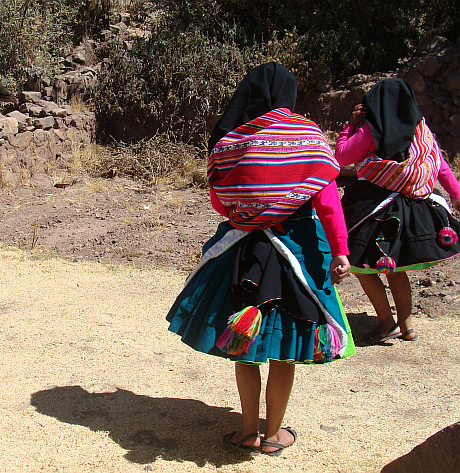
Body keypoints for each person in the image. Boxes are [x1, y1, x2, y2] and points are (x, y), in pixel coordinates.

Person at [166, 63, 355, 456]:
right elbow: (328, 200)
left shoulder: (229, 143)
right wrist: (339, 249)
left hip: (240, 252)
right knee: (285, 345)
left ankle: (248, 429)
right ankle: (273, 435)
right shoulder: (307, 136)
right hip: (297, 250)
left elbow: (221, 203)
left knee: (244, 341)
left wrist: (253, 209)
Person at [334, 78, 460, 343]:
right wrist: (456, 196)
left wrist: (351, 126)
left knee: (361, 267)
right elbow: (440, 166)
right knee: (396, 267)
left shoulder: (371, 129)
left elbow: (342, 157)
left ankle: (385, 322)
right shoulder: (420, 131)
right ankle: (407, 325)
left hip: (372, 208)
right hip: (412, 209)